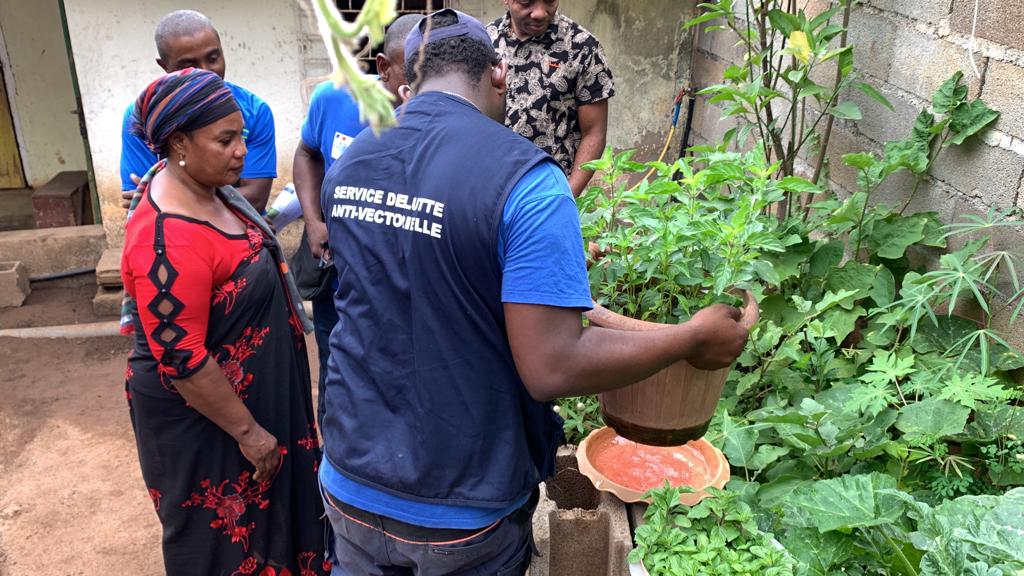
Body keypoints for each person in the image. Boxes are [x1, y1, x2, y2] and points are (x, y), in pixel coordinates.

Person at [316, 9, 751, 575]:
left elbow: (405, 293)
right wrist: (691, 338)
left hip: (350, 478)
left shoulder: (351, 163)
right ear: (499, 76)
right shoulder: (525, 178)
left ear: (405, 79)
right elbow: (552, 365)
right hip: (460, 503)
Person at [120, 68, 325, 576]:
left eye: (243, 136)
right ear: (179, 142)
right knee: (226, 551)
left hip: (254, 404)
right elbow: (182, 357)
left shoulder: (215, 194)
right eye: (226, 139)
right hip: (212, 423)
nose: (242, 151)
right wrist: (250, 432)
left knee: (276, 530)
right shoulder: (166, 236)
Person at [292, 14, 423, 427]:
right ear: (384, 67)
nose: (426, 81)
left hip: (408, 279)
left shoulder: (445, 119)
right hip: (339, 272)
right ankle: (334, 461)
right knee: (338, 362)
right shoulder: (334, 98)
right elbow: (306, 154)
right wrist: (314, 221)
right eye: (414, 69)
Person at [121, 10, 276, 212]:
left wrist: (169, 199)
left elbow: (255, 198)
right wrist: (229, 205)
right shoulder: (144, 117)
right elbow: (141, 203)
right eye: (189, 64)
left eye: (213, 58)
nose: (206, 72)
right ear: (165, 66)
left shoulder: (255, 111)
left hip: (245, 234)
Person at [487, 0, 614, 197]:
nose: (539, 13)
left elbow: (594, 133)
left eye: (549, 1)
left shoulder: (582, 48)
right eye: (526, 2)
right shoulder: (484, 43)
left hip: (549, 194)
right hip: (491, 191)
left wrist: (567, 196)